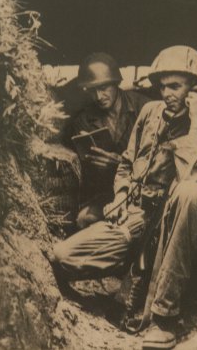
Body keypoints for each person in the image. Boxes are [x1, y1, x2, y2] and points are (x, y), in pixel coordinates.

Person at [54, 46, 197, 349]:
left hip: (173, 231)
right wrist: (121, 195)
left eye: (175, 86)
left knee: (190, 192)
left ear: (196, 90)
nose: (166, 93)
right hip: (135, 217)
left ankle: (164, 318)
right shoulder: (150, 113)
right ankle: (128, 272)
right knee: (62, 257)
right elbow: (126, 162)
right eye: (162, 85)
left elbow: (194, 177)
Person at [64, 52, 150, 229]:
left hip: (144, 192)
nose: (98, 96)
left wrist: (120, 164)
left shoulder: (144, 108)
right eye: (92, 90)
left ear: (116, 83)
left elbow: (158, 158)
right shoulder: (84, 120)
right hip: (107, 195)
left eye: (103, 88)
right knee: (83, 219)